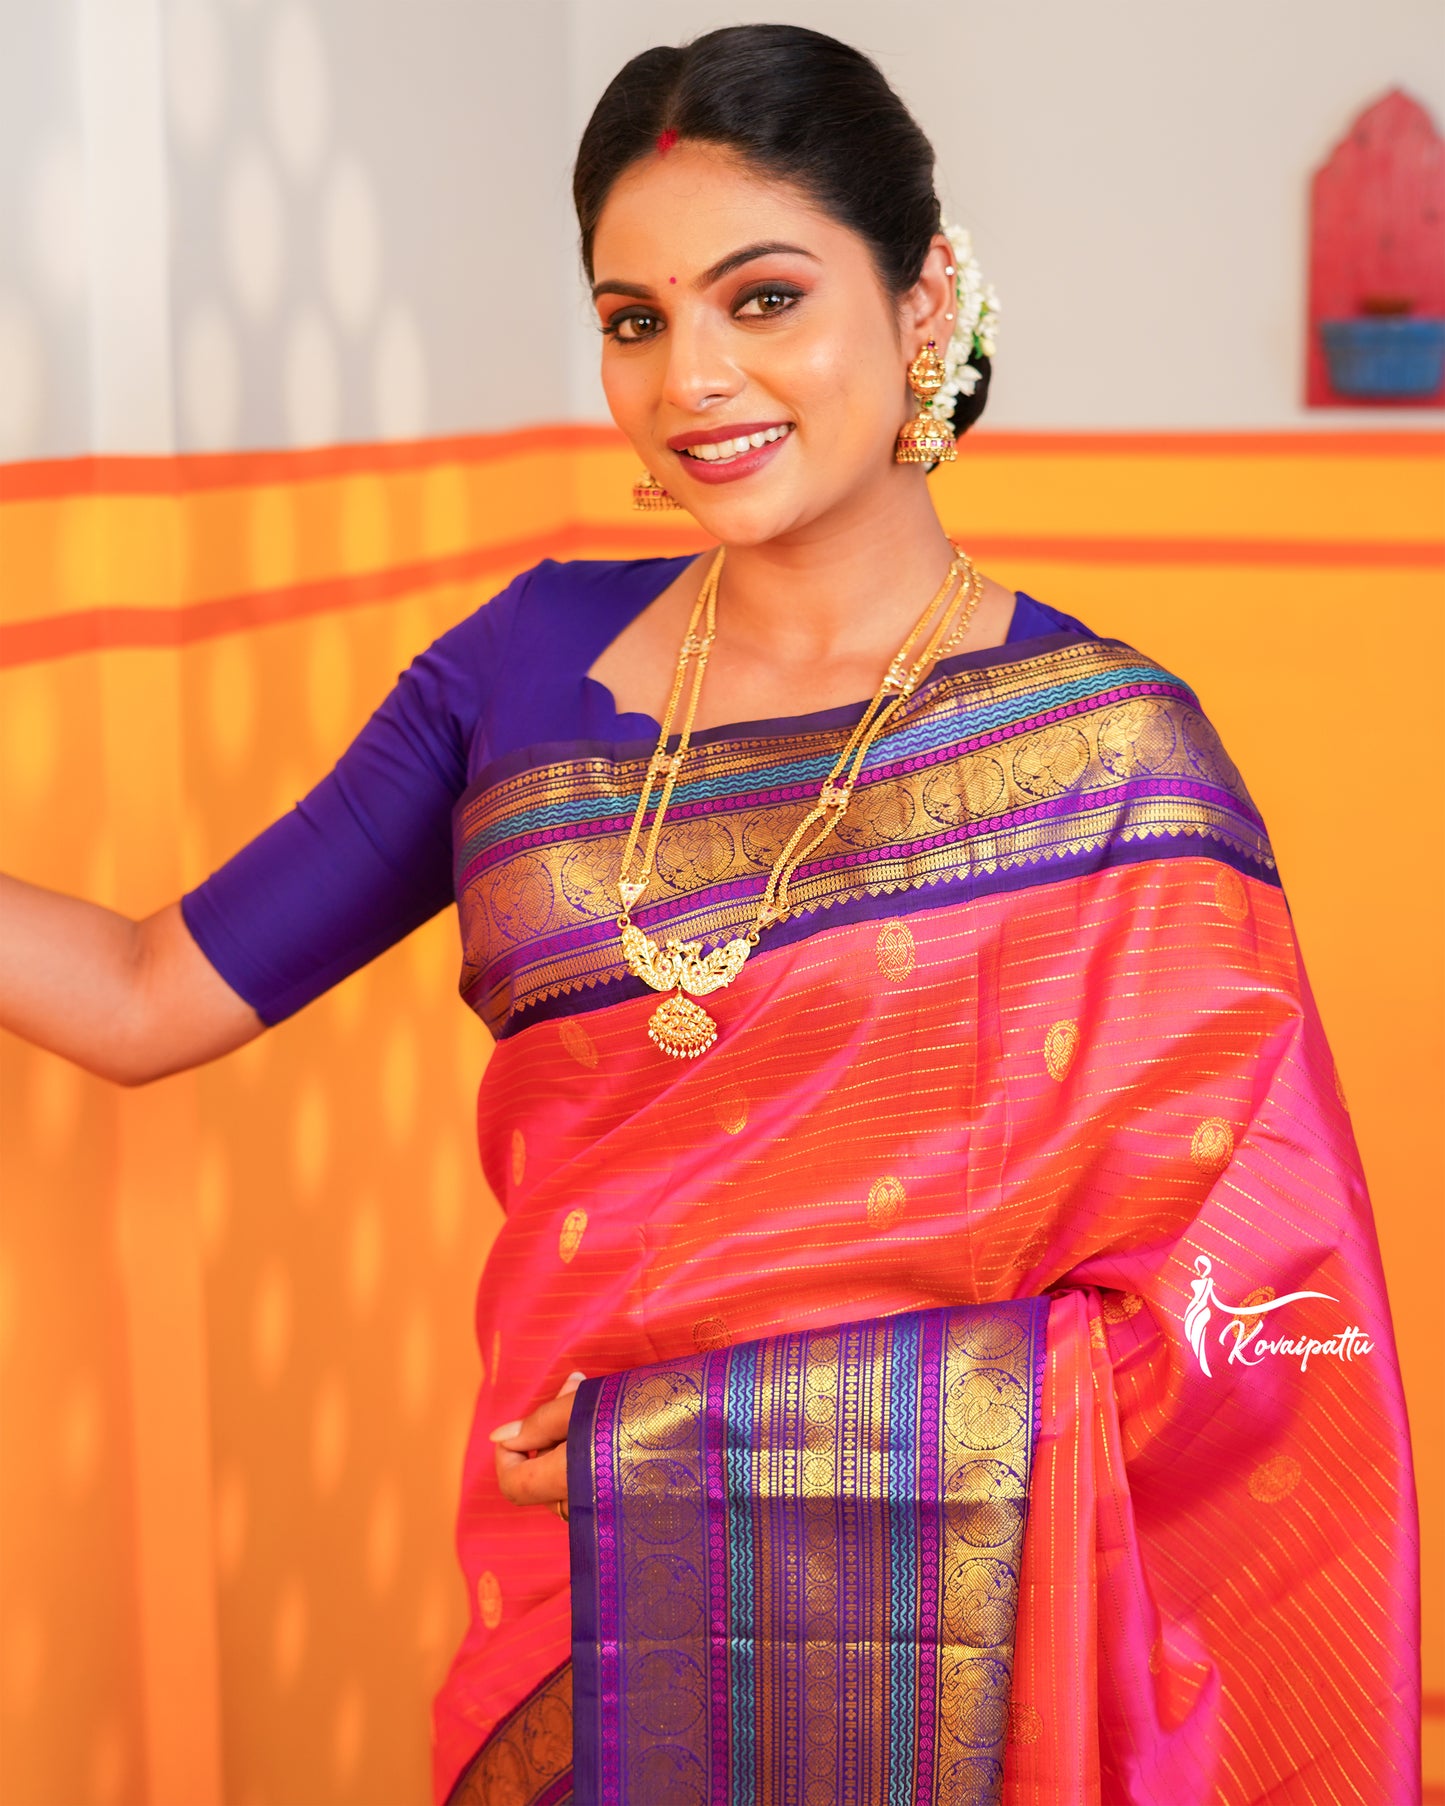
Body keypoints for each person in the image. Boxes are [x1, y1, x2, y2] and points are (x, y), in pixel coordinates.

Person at [0, 24, 1420, 1806]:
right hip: (582, 1615)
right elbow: (146, 993)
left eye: (762, 299)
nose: (692, 378)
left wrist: (704, 1446)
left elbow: (1265, 1312)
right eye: (634, 319)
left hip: (963, 1651)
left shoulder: (1111, 750)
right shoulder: (513, 673)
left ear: (920, 301)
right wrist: (644, 1479)